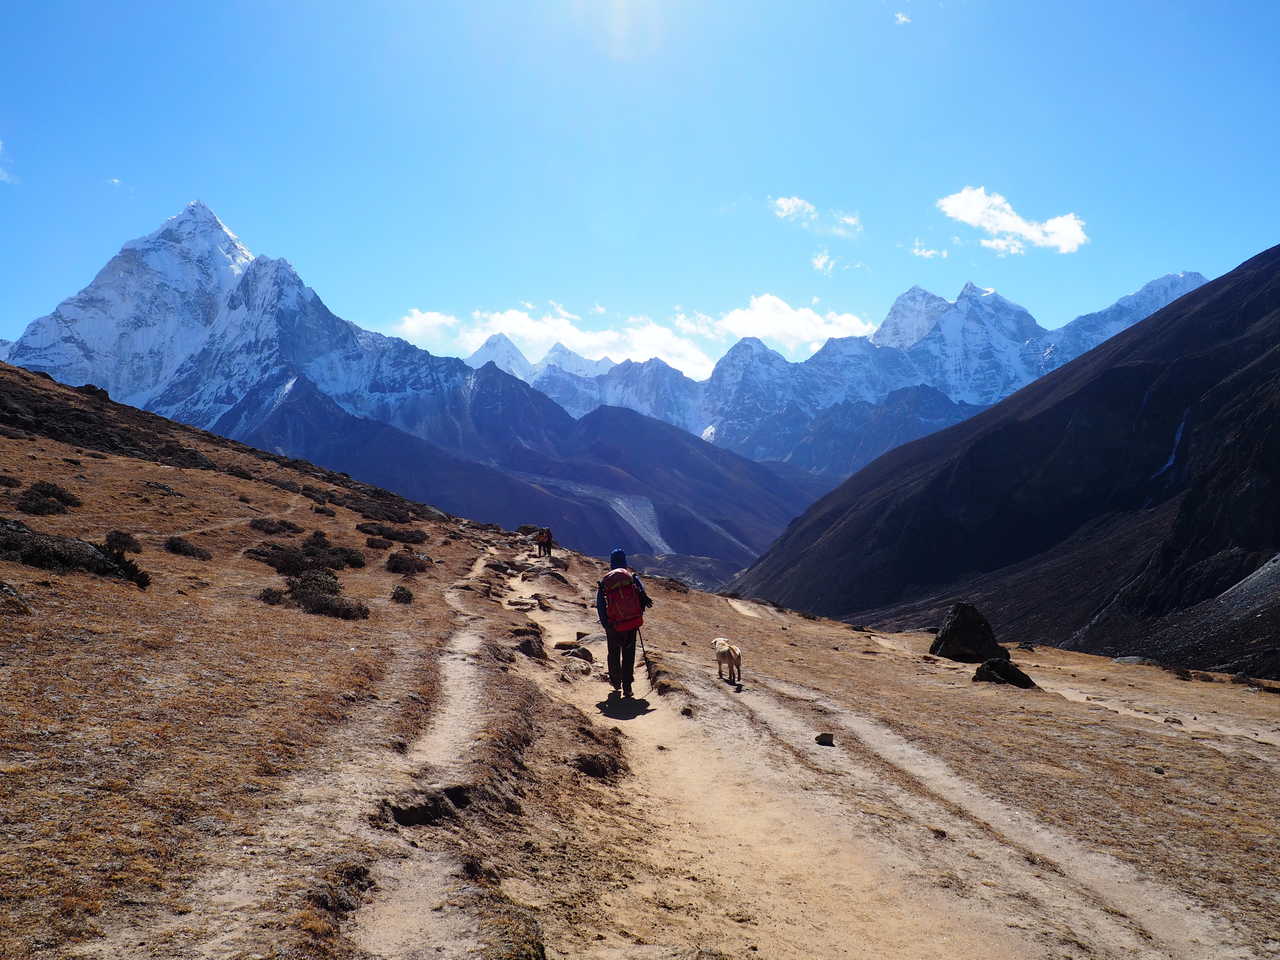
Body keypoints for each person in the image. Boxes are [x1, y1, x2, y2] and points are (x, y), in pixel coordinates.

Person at [595, 549, 653, 698]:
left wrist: (606, 623)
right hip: (631, 624)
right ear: (624, 561)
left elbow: (600, 604)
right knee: (629, 653)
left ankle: (615, 682)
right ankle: (627, 686)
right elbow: (642, 596)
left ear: (612, 562)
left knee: (613, 652)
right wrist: (637, 615)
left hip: (613, 624)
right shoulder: (632, 578)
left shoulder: (605, 582)